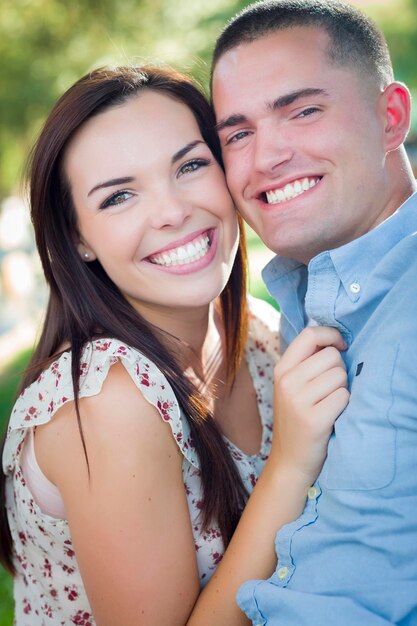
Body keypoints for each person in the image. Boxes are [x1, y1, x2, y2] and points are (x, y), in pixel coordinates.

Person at [0, 65, 349, 625]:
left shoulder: (259, 332)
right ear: (78, 239)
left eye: (190, 166)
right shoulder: (104, 400)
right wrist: (289, 465)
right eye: (118, 198)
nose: (172, 211)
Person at [210, 0, 417, 624]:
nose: (267, 155)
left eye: (302, 111)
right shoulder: (293, 311)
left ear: (391, 118)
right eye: (238, 133)